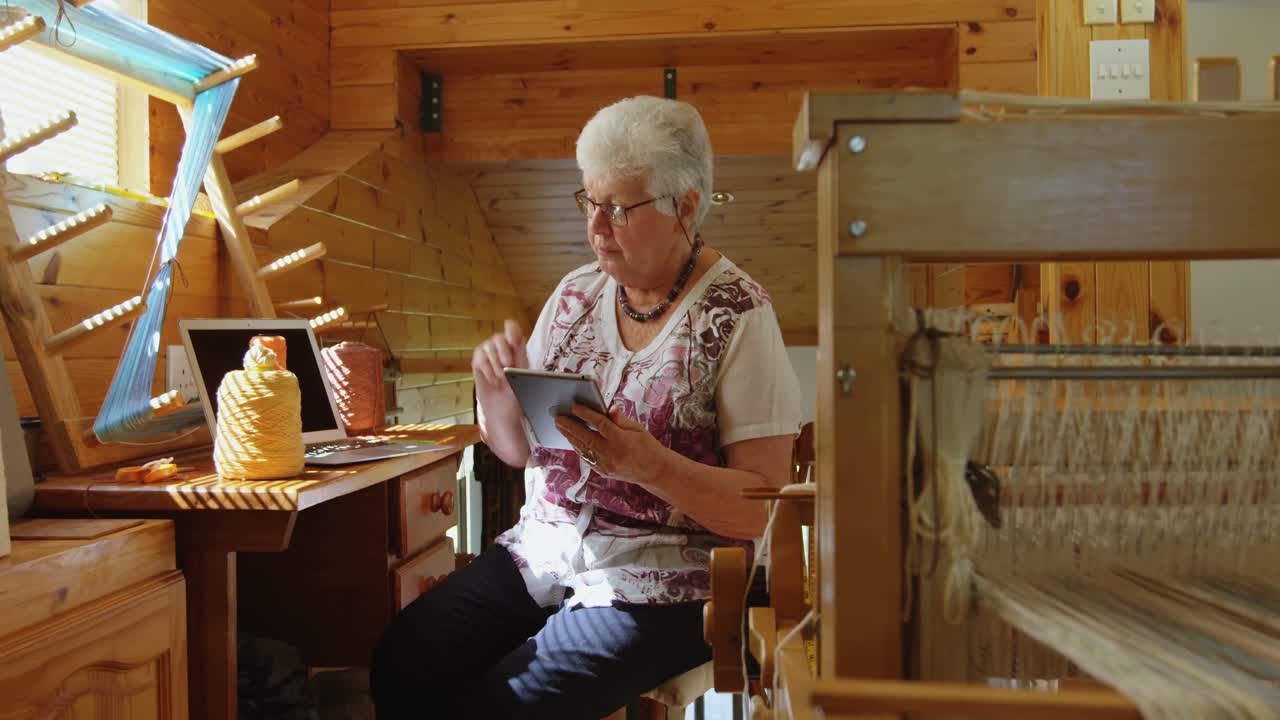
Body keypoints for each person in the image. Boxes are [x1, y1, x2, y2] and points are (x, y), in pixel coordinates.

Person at [370, 95, 803, 720]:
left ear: (685, 207)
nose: (597, 228)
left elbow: (758, 508)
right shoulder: (574, 295)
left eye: (620, 209)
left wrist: (650, 465)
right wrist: (493, 390)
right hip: (545, 553)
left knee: (508, 705)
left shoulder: (738, 315)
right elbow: (519, 449)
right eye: (589, 202)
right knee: (405, 662)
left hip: (668, 583)